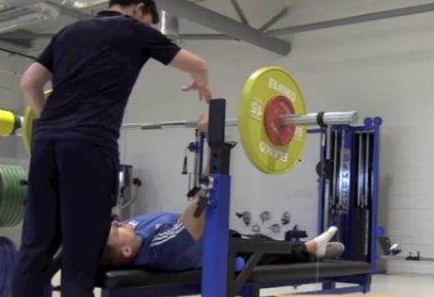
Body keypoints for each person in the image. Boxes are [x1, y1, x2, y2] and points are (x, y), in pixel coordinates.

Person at [4, 0, 212, 297]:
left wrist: (51, 123)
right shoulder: (133, 29)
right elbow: (197, 64)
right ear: (139, 10)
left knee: (34, 248)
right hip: (90, 147)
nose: (149, 27)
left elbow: (29, 83)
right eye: (149, 21)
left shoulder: (69, 32)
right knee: (81, 255)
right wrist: (201, 83)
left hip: (46, 145)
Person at [101, 115, 344, 273]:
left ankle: (309, 248)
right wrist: (211, 140)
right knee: (259, 250)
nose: (116, 222)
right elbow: (202, 201)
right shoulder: (161, 248)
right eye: (115, 229)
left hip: (214, 236)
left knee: (258, 241)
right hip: (222, 250)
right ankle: (310, 249)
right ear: (126, 252)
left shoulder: (126, 233)